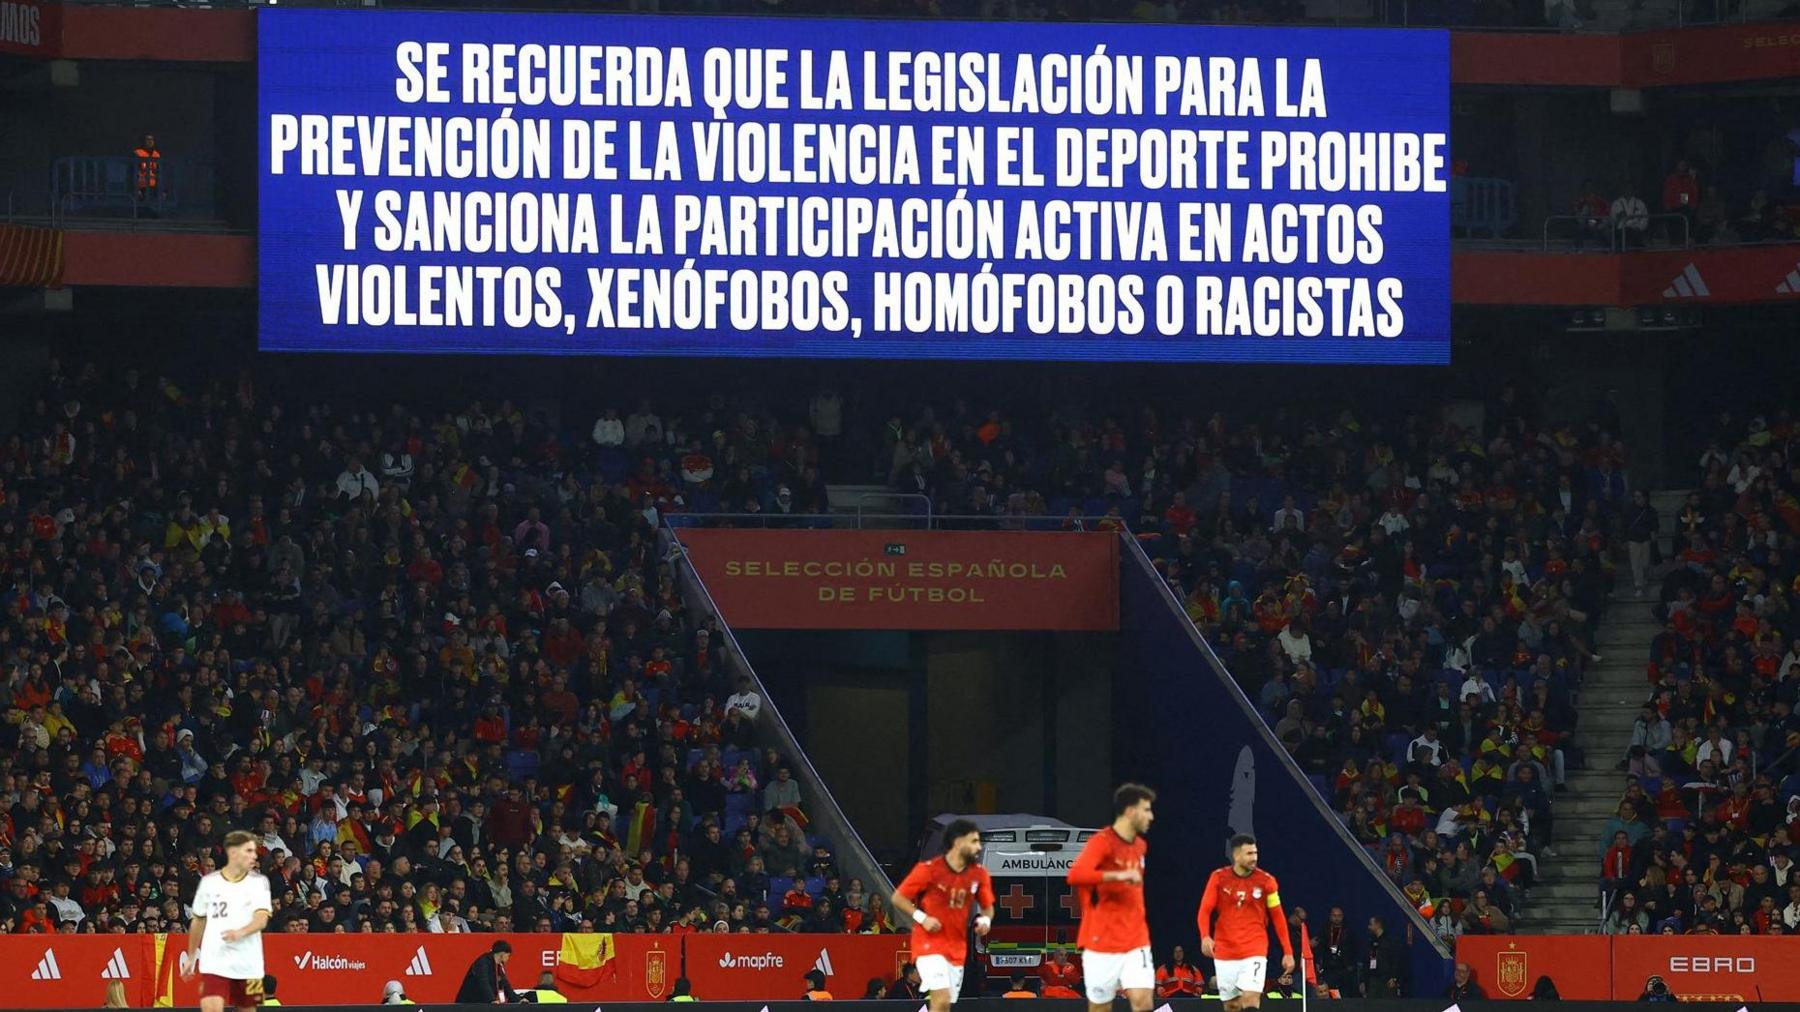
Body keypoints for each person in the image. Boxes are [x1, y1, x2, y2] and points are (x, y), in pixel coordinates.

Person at [890, 818, 995, 1012]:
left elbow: (988, 906)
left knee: (945, 1003)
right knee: (941, 996)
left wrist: (985, 919)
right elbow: (899, 897)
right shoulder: (928, 870)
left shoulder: (978, 875)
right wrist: (923, 918)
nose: (978, 847)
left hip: (956, 948)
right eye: (973, 841)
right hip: (929, 943)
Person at [1068, 784, 1156, 1012]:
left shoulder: (1140, 846)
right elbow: (1076, 874)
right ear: (1130, 811)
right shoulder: (1102, 842)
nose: (1151, 816)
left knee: (1143, 1001)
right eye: (1146, 810)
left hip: (1136, 939)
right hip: (1101, 941)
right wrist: (1116, 875)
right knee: (1100, 1008)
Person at [1197, 834, 1294, 1012]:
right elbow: (1205, 910)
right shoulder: (1218, 878)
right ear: (1236, 855)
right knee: (1232, 1006)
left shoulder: (1267, 882)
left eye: (1255, 853)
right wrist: (1205, 936)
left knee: (1250, 999)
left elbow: (1278, 917)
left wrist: (1287, 951)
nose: (1254, 857)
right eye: (1249, 853)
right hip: (1225, 950)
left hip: (1254, 949)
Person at [181, 830, 274, 1012]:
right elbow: (198, 920)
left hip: (250, 962)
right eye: (249, 851)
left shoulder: (259, 883)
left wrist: (241, 932)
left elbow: (261, 919)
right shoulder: (209, 883)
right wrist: (191, 956)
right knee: (210, 1006)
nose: (254, 856)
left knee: (249, 1008)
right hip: (215, 960)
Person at [457, 940, 521, 1004]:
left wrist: (518, 1000)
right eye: (508, 955)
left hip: (480, 1002)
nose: (508, 958)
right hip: (468, 1003)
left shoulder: (498, 966)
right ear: (502, 954)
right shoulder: (483, 962)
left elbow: (505, 984)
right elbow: (483, 982)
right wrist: (491, 999)